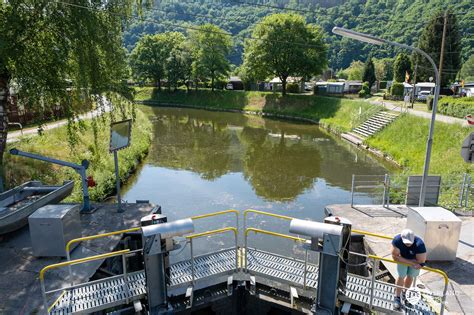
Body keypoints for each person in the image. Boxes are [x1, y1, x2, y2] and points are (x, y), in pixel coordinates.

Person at [391, 229, 427, 309]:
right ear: (401, 238)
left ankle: (405, 292)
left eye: (410, 242)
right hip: (411, 261)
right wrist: (412, 263)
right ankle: (397, 297)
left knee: (410, 276)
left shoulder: (419, 244)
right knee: (401, 275)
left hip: (408, 260)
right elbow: (395, 257)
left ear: (414, 238)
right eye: (406, 242)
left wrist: (418, 264)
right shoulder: (397, 240)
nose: (408, 244)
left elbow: (421, 261)